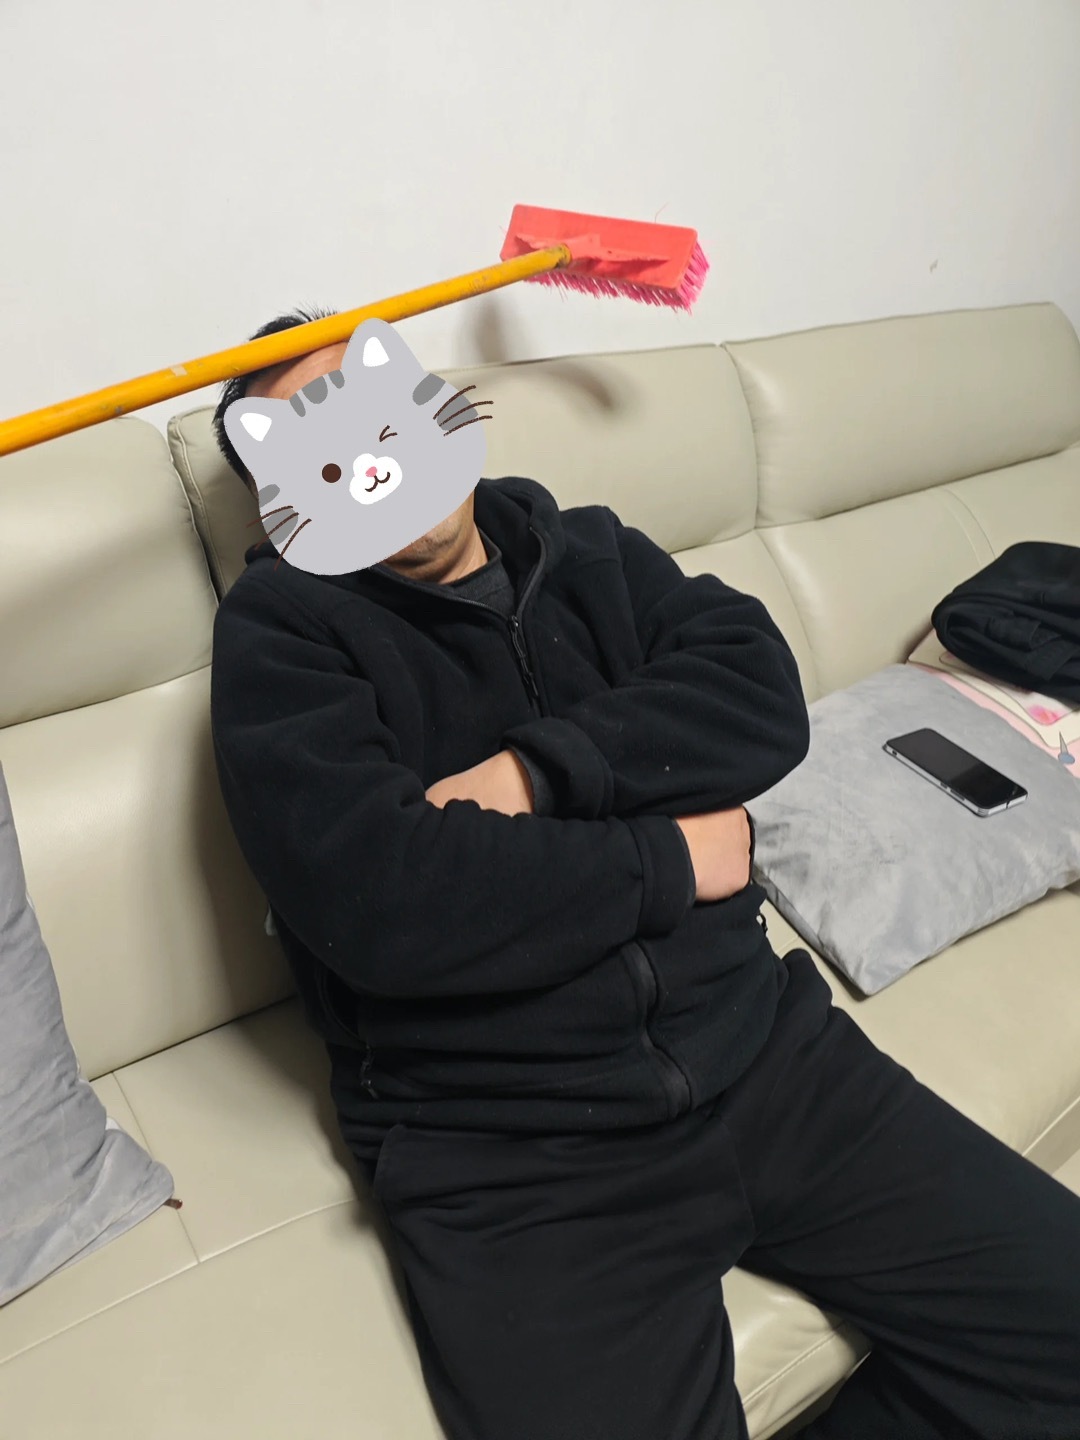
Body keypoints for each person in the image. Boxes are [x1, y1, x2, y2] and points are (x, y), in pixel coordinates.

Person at [210, 309, 1080, 1440]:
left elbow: (755, 691)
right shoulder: (280, 632)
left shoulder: (588, 548)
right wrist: (666, 856)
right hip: (520, 1157)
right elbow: (384, 897)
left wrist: (531, 775)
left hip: (769, 1056)